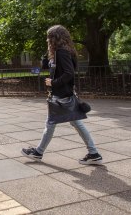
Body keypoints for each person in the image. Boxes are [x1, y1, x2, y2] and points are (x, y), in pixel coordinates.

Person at [22, 25, 102, 165]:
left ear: (55, 38)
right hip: (64, 94)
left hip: (61, 95)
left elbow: (69, 73)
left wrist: (53, 82)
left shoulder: (62, 52)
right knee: (75, 123)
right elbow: (53, 67)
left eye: (49, 37)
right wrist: (47, 58)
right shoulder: (63, 52)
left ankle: (38, 152)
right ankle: (93, 153)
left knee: (51, 123)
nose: (47, 40)